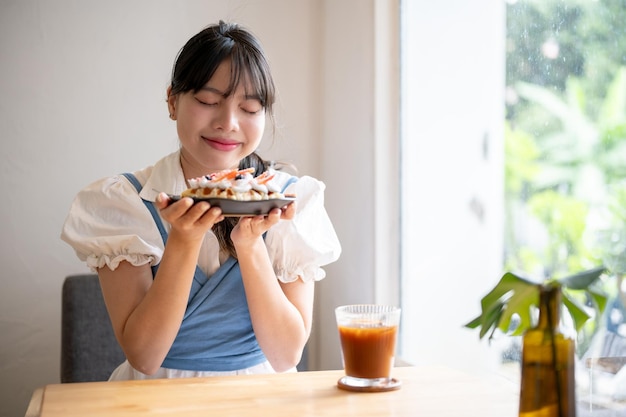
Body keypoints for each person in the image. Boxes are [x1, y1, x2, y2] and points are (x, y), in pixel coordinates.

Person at [61, 21, 341, 381]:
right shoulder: (126, 202)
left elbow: (287, 355)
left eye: (250, 108)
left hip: (259, 397)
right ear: (173, 102)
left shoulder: (290, 200)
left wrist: (250, 243)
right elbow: (144, 356)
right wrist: (184, 239)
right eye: (209, 101)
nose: (228, 123)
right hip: (153, 399)